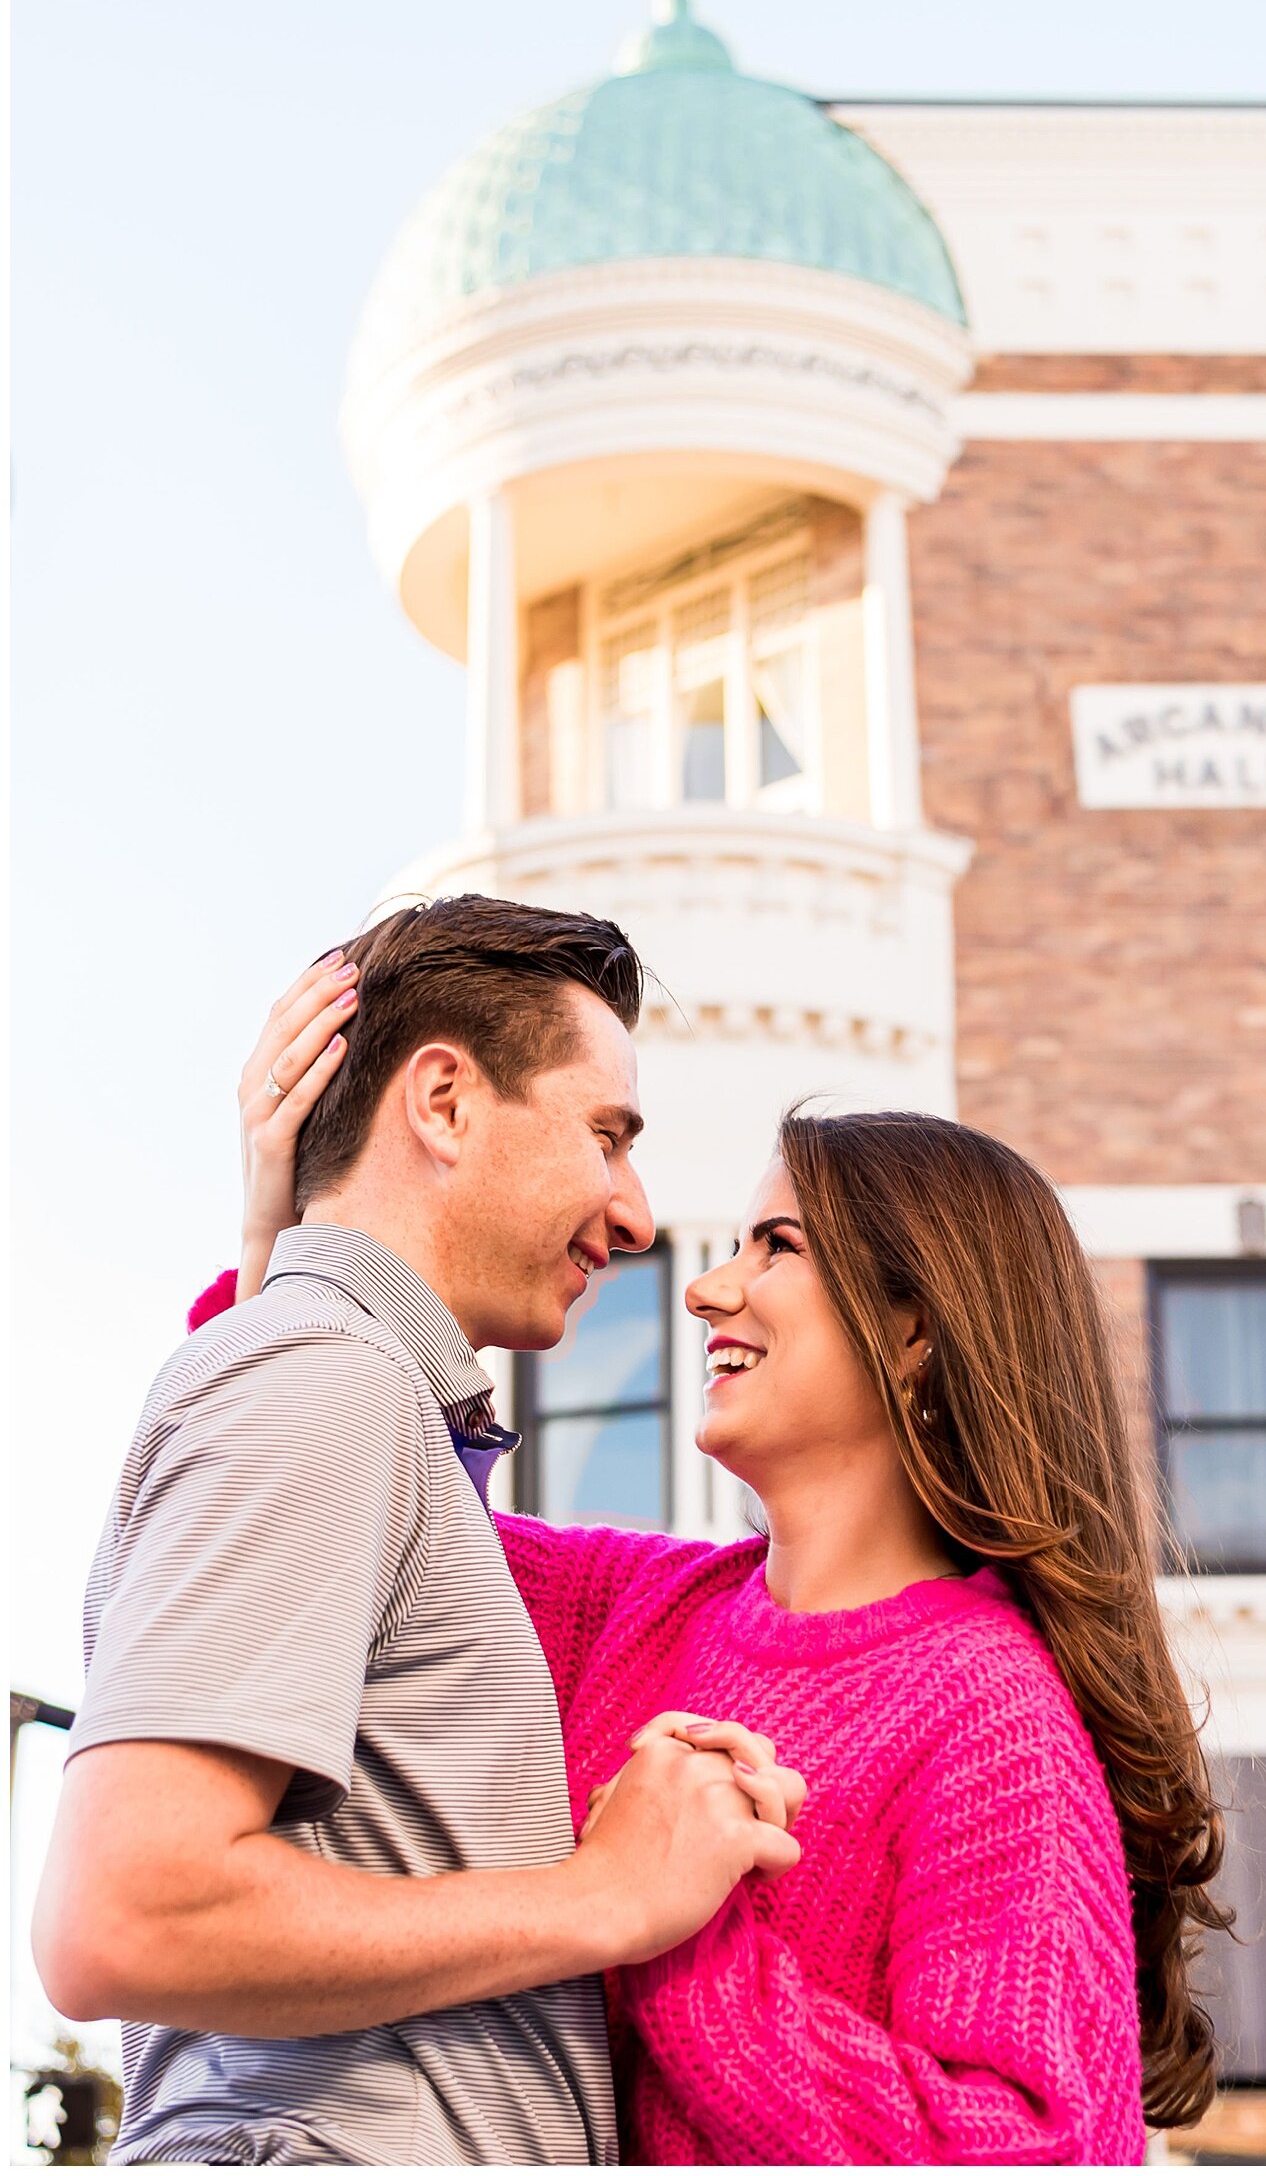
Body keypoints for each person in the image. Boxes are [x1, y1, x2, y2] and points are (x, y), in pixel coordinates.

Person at [186, 954, 1234, 2165]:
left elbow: (1033, 2146)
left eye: (775, 1245)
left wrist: (678, 1934)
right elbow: (350, 1496)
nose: (706, 1287)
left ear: (911, 1330)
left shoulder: (995, 1719)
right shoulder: (640, 1606)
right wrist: (288, 1228)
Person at [32, 896, 804, 2169]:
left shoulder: (344, 1382)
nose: (635, 1213)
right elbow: (123, 1915)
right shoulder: (323, 1379)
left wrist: (272, 1254)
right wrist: (601, 1895)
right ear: (442, 1102)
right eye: (605, 1134)